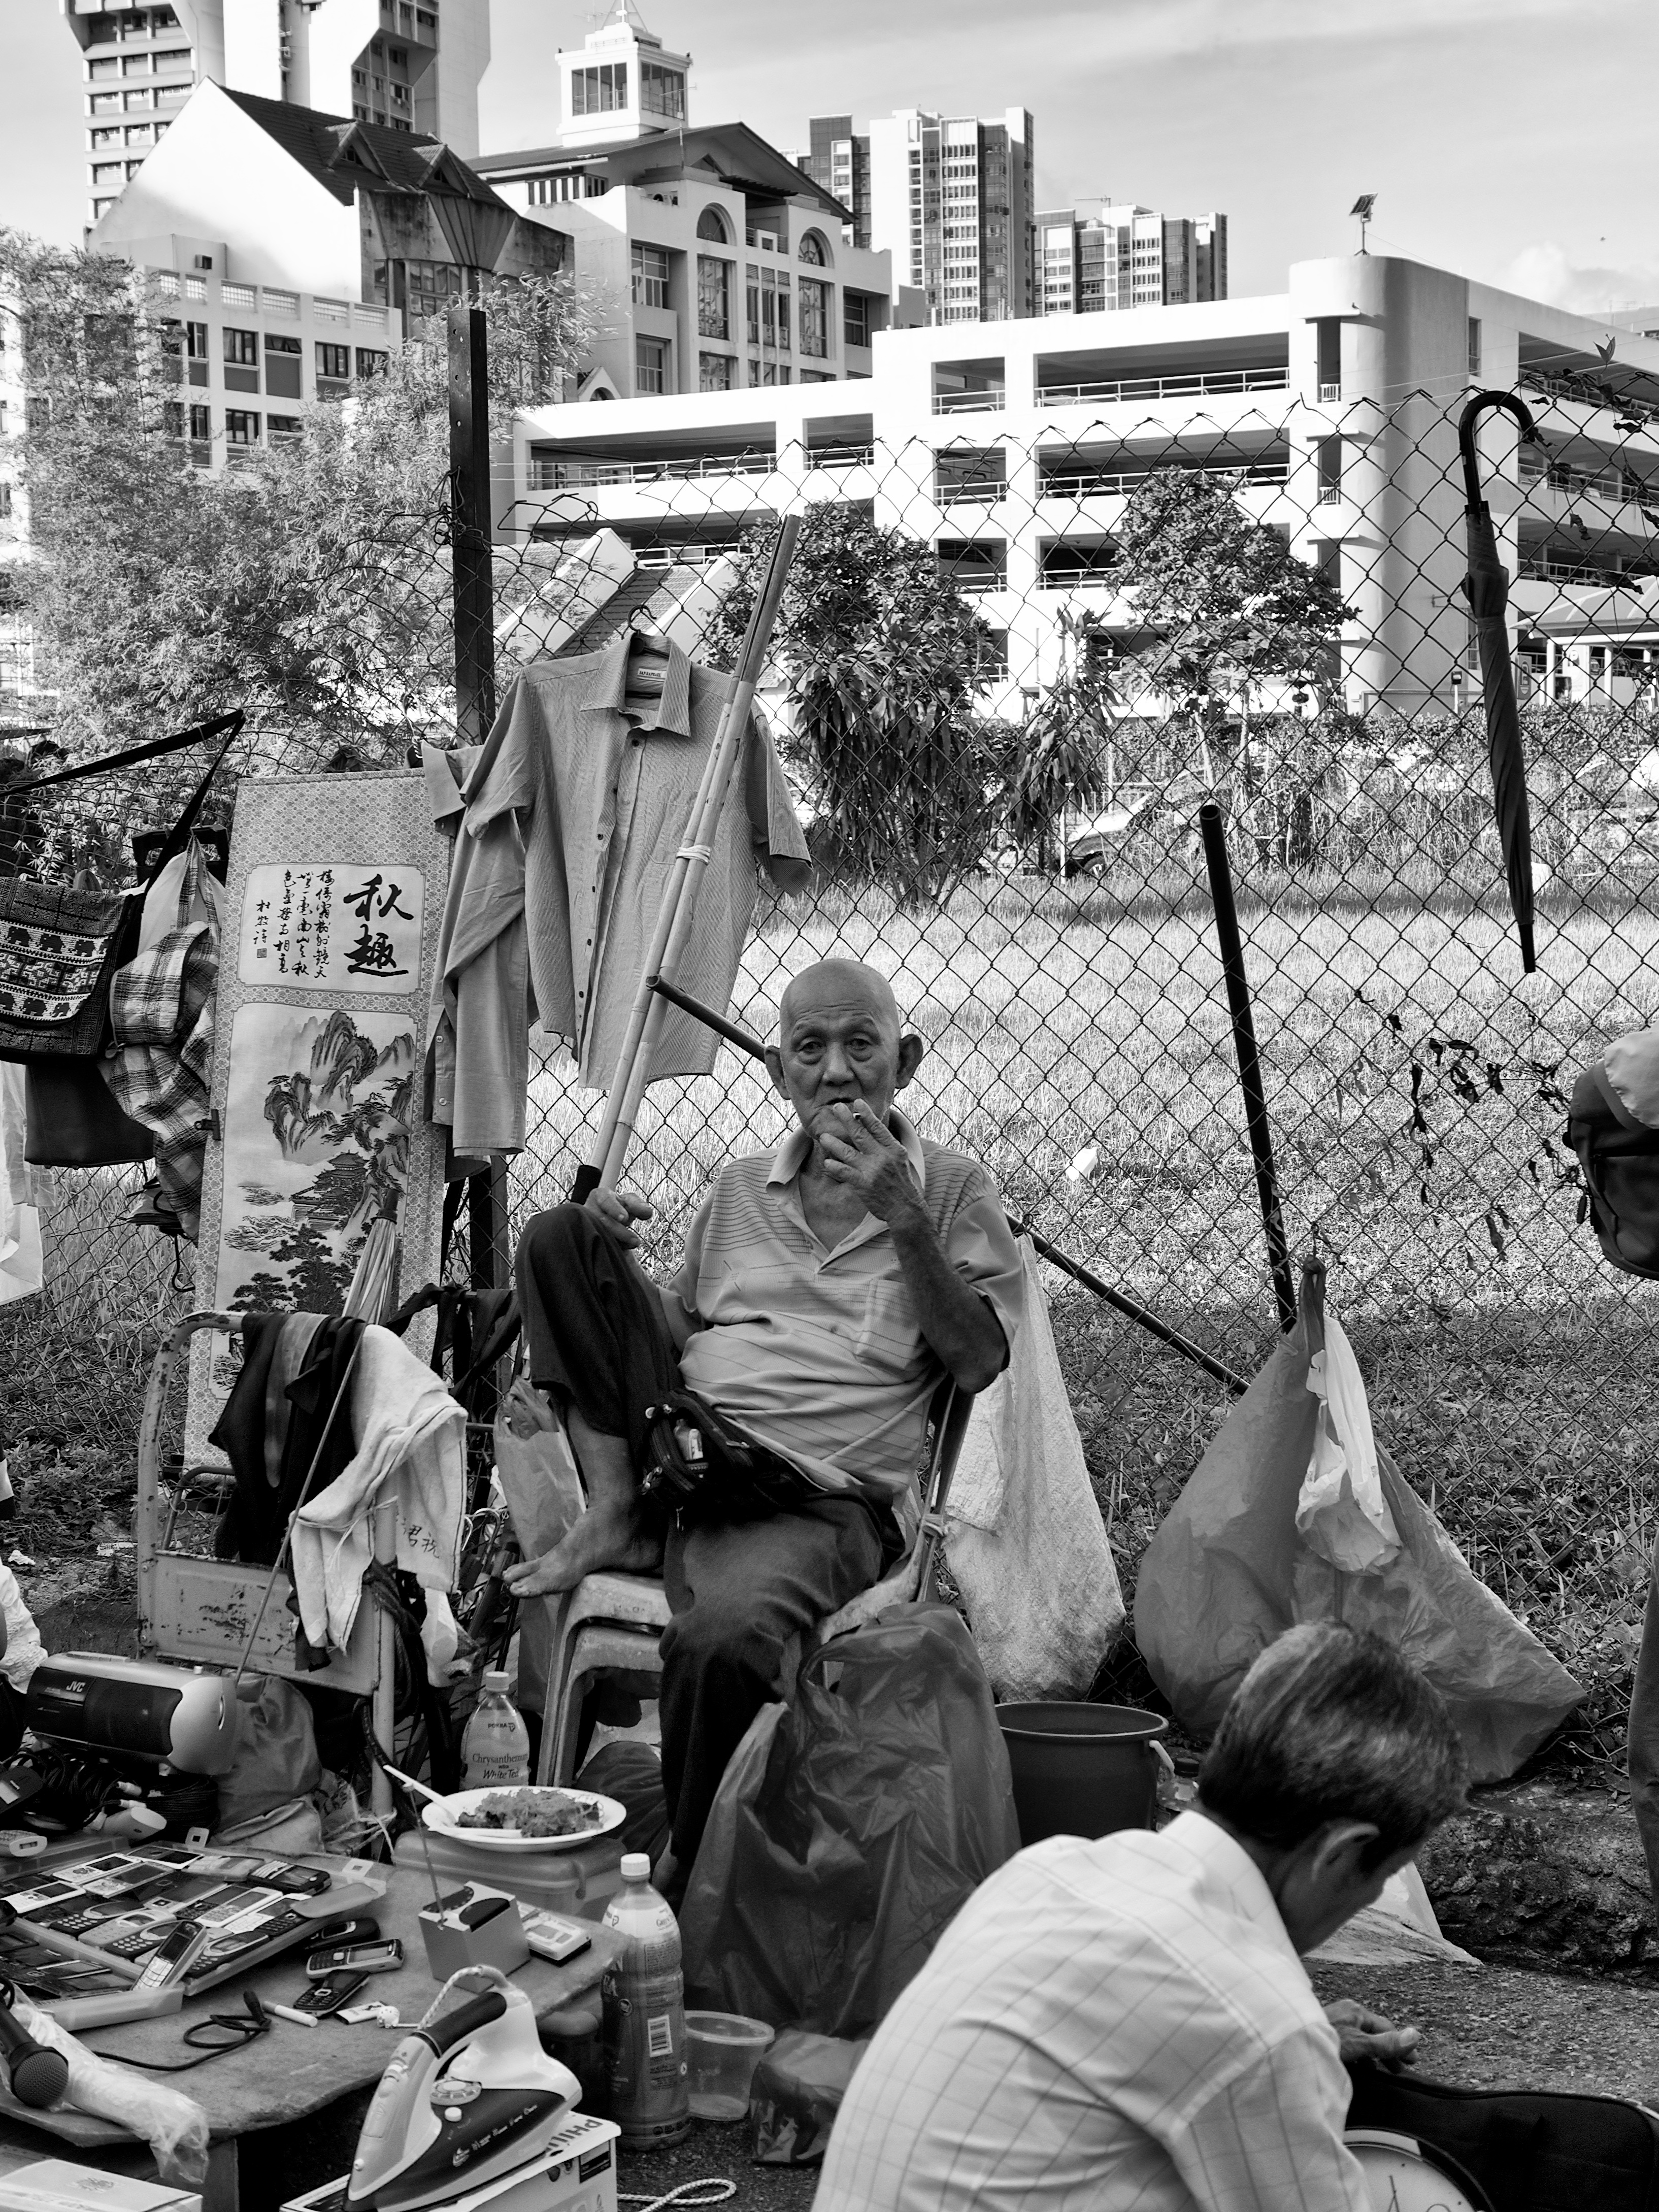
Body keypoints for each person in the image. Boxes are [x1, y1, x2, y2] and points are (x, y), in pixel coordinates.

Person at [505, 958, 1023, 1877]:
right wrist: (608, 1261)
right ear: (777, 1070)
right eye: (809, 1048)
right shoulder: (742, 1189)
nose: (834, 1071)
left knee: (725, 1639)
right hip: (693, 1442)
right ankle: (620, 1508)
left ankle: (698, 1884)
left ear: (902, 1061)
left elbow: (980, 1361)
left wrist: (904, 1219)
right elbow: (683, 1327)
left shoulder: (949, 1190)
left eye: (860, 1046)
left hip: (808, 1498)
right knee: (560, 1234)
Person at [817, 1622, 1470, 2212]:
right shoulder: (1254, 2020)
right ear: (1340, 1853)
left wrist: (1296, 2047)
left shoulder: (1047, 1872)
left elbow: (1143, 2036)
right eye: (1382, 1877)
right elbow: (1230, 2028)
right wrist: (1286, 2048)